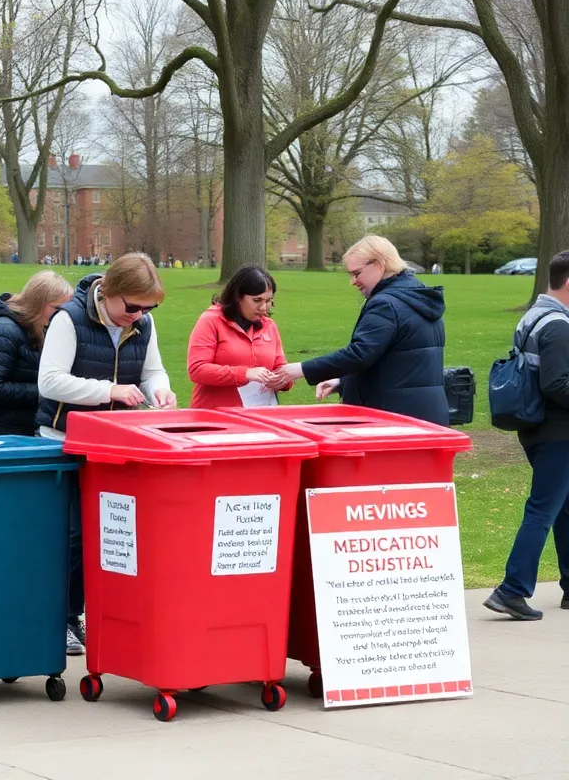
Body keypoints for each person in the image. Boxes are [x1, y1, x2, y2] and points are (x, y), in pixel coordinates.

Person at [37, 252, 178, 657]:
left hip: (116, 444)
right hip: (63, 439)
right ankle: (60, 617)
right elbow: (50, 382)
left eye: (147, 308)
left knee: (109, 537)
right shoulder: (69, 319)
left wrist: (159, 391)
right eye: (131, 306)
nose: (137, 315)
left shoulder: (143, 323)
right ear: (109, 292)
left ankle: (84, 614)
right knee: (73, 534)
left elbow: (152, 371)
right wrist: (108, 391)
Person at [275, 235, 449, 425]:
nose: (353, 281)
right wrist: (343, 382)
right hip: (424, 414)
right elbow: (399, 364)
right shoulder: (418, 297)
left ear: (379, 264)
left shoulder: (386, 304)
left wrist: (301, 369)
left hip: (394, 419)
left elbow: (360, 354)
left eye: (357, 273)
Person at [484, 250, 569, 621]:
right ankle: (512, 589)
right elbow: (557, 384)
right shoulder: (559, 325)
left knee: (564, 508)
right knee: (543, 510)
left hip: (537, 428)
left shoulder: (533, 317)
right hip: (558, 432)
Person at [0, 271, 73, 437]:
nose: (62, 314)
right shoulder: (4, 331)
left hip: (17, 424)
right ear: (38, 303)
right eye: (57, 308)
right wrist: (48, 389)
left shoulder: (42, 327)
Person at [187, 264, 291, 408]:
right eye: (257, 300)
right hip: (215, 415)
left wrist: (282, 380)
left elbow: (280, 366)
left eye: (268, 301)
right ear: (238, 297)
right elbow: (197, 370)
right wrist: (245, 373)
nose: (263, 308)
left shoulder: (269, 326)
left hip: (260, 416)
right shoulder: (211, 321)